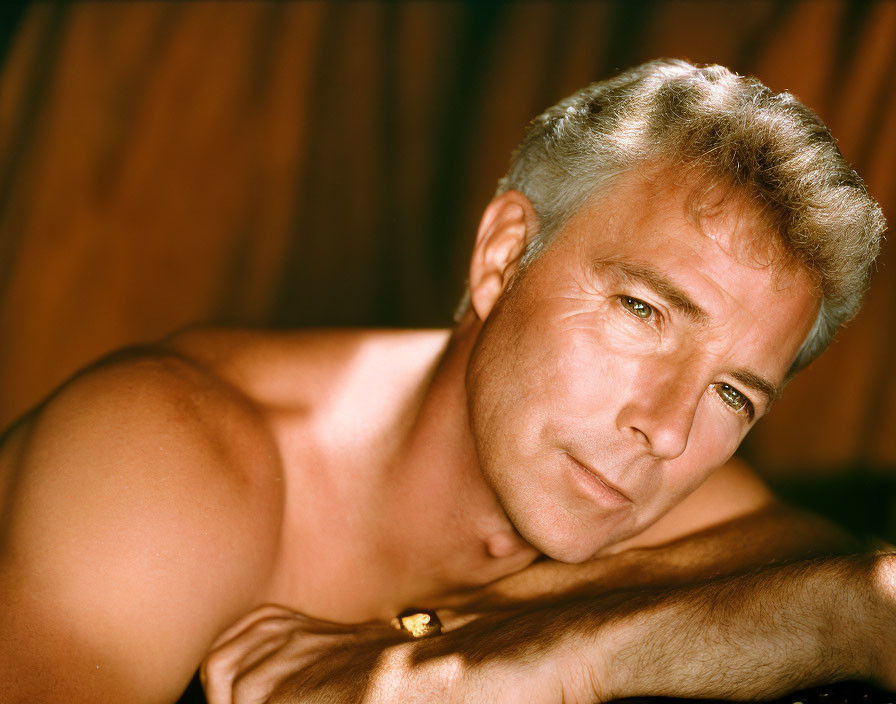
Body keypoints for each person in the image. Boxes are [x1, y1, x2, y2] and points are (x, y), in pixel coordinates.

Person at [0, 59, 890, 704]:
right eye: (643, 312)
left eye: (733, 394)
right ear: (504, 258)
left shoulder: (675, 490)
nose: (665, 429)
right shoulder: (161, 466)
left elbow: (870, 606)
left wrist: (546, 661)